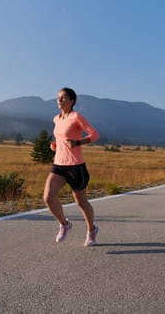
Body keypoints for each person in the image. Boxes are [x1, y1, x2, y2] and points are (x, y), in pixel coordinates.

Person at [43, 87, 100, 246]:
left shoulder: (76, 117)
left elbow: (94, 135)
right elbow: (62, 137)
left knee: (81, 202)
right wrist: (55, 145)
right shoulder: (57, 119)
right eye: (58, 97)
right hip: (59, 165)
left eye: (63, 98)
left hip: (76, 167)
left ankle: (91, 230)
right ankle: (64, 224)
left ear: (71, 101)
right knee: (48, 197)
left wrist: (78, 143)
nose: (59, 100)